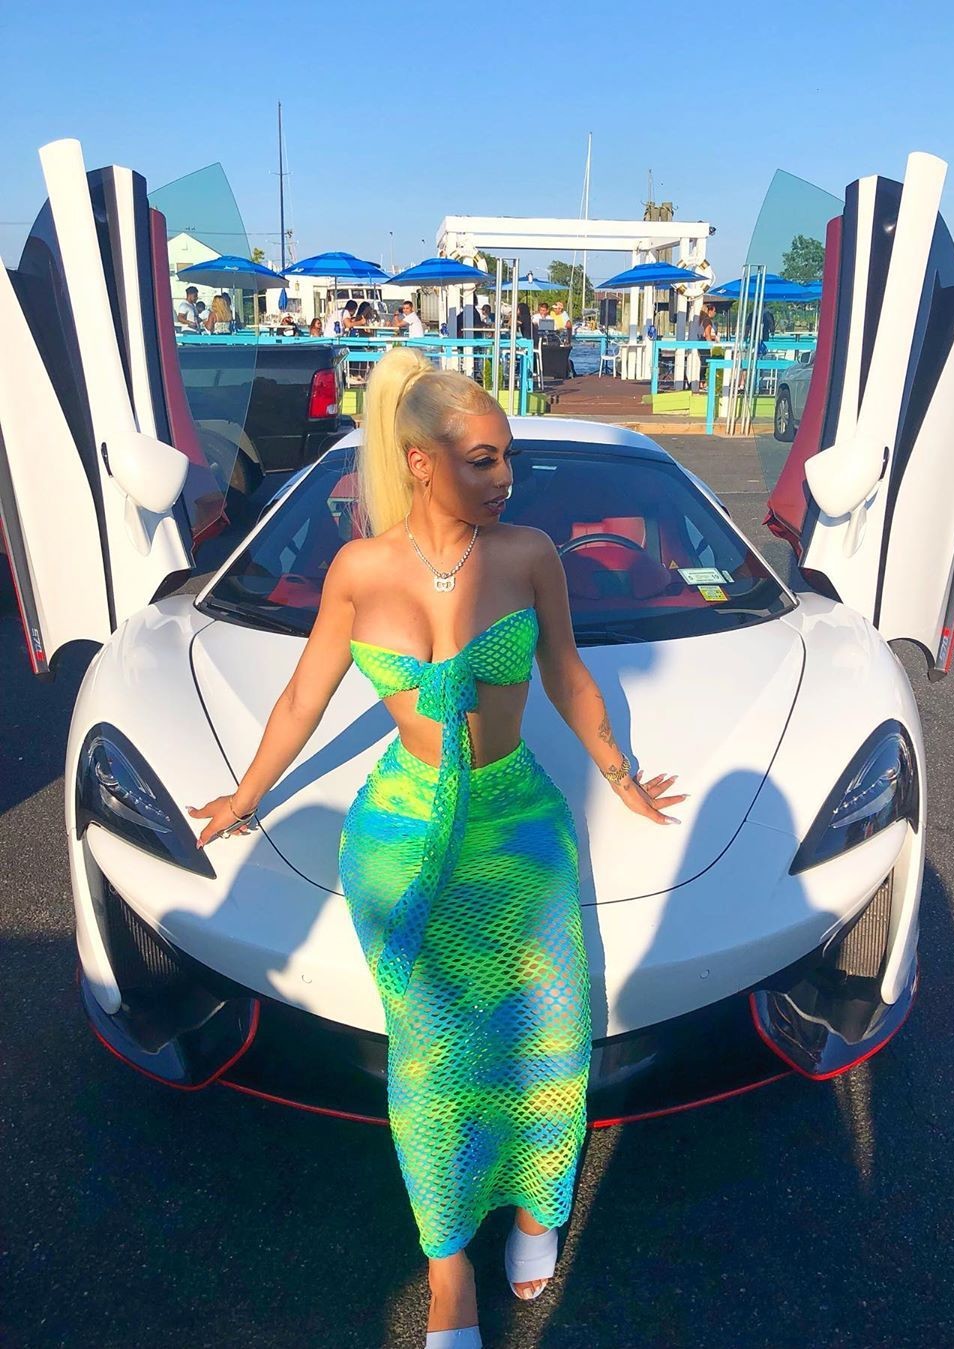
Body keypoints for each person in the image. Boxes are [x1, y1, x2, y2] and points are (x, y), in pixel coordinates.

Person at [187, 347, 683, 1347]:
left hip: (514, 820)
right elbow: (304, 694)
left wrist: (620, 770)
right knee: (432, 1055)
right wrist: (246, 791)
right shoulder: (359, 570)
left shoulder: (530, 554)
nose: (506, 479)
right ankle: (447, 1263)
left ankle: (538, 1205)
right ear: (421, 463)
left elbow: (568, 673)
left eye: (508, 461)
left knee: (551, 1025)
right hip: (404, 831)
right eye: (484, 460)